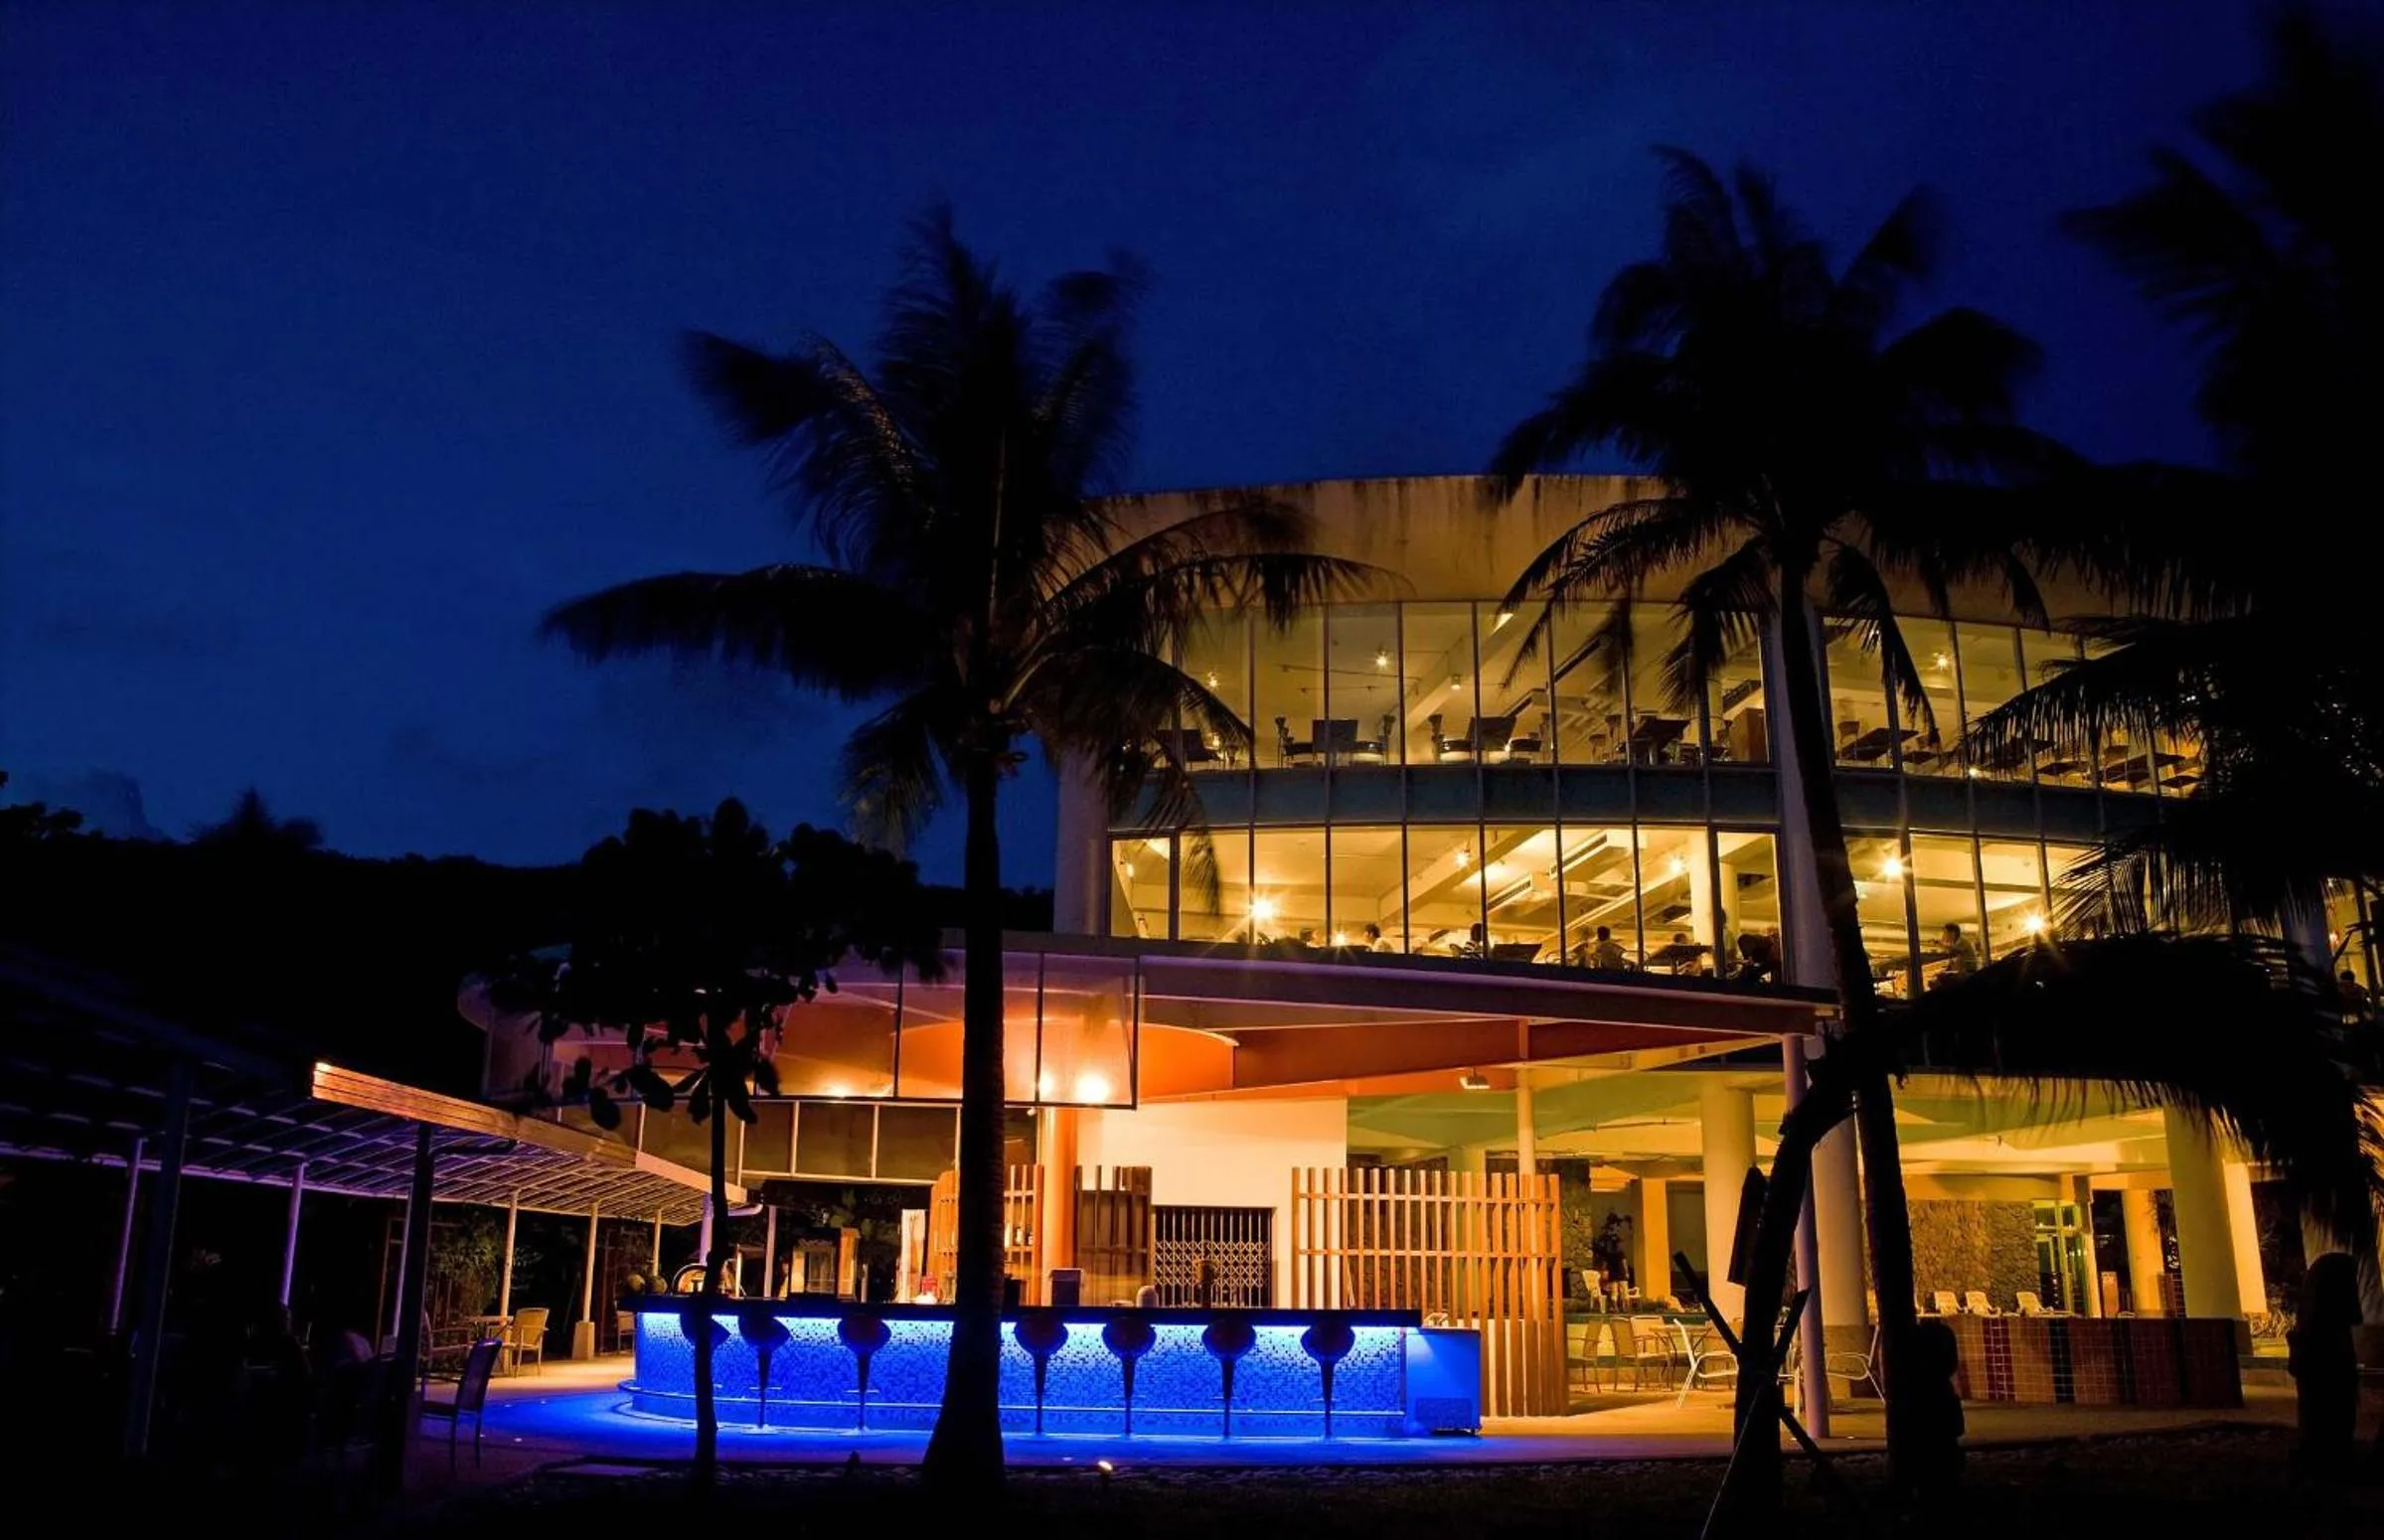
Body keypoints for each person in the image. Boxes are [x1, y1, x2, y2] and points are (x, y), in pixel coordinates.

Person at [2288, 1252, 2360, 1478]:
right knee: (2330, 1418)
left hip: (2322, 1381)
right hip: (2329, 1382)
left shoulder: (2312, 1324)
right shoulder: (2326, 1332)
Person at [1895, 1318, 1966, 1510]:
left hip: (1929, 1450)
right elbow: (1957, 1428)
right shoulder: (1944, 1391)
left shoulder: (1915, 1394)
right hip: (1944, 1451)